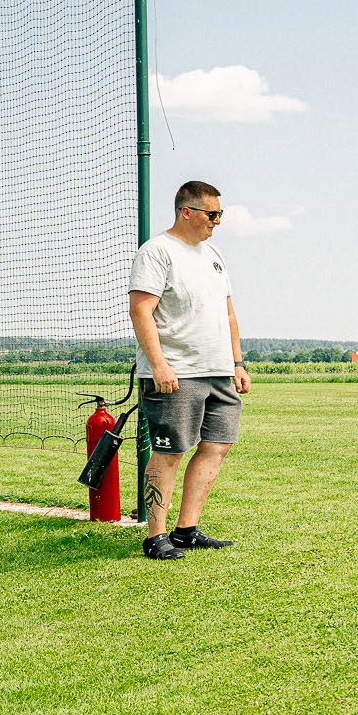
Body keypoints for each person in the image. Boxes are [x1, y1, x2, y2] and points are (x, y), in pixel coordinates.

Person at [128, 180, 251, 559]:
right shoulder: (157, 253)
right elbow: (140, 310)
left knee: (217, 446)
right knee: (170, 451)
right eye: (212, 214)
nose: (217, 221)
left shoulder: (213, 255)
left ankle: (187, 530)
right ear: (187, 211)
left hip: (217, 370)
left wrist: (237, 361)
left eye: (220, 214)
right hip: (175, 373)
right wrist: (160, 365)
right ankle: (156, 536)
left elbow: (227, 313)